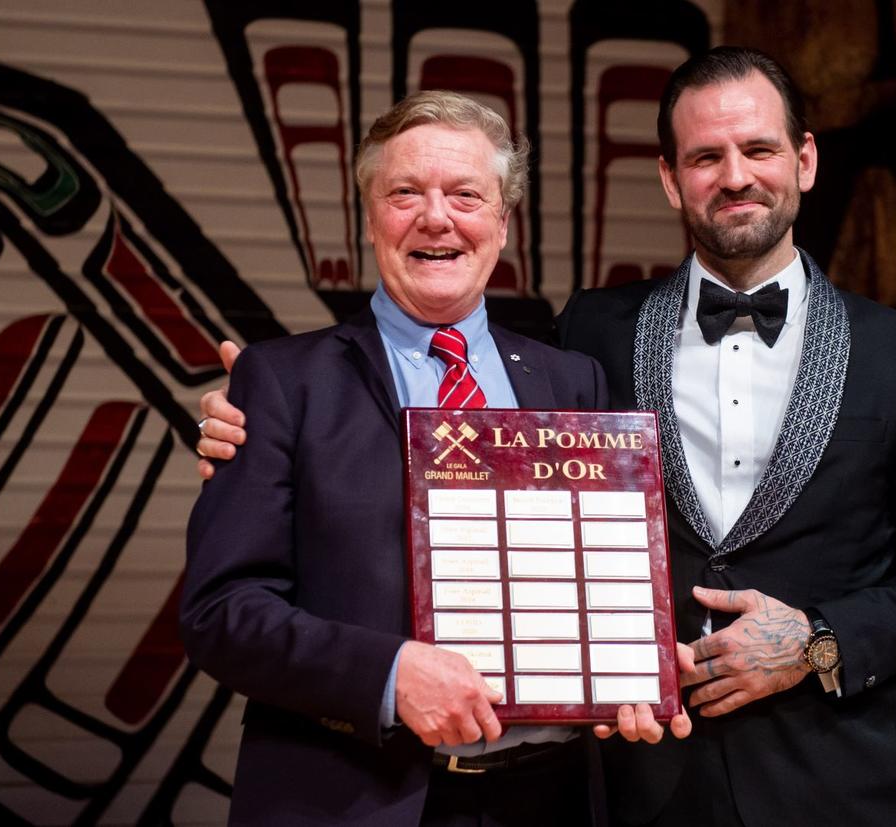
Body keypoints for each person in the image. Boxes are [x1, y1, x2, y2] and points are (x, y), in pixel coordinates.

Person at [197, 48, 896, 827]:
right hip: (638, 791)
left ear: (804, 160)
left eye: (757, 149)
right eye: (704, 158)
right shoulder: (591, 337)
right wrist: (247, 413)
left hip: (838, 779)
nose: (734, 176)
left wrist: (819, 639)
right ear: (669, 178)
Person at [182, 90, 687, 827]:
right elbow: (219, 613)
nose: (436, 217)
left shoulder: (572, 380)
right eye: (405, 193)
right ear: (370, 216)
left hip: (551, 800)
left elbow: (601, 583)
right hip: (351, 797)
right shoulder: (284, 383)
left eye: (465, 195)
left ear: (503, 223)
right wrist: (387, 676)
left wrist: (625, 672)